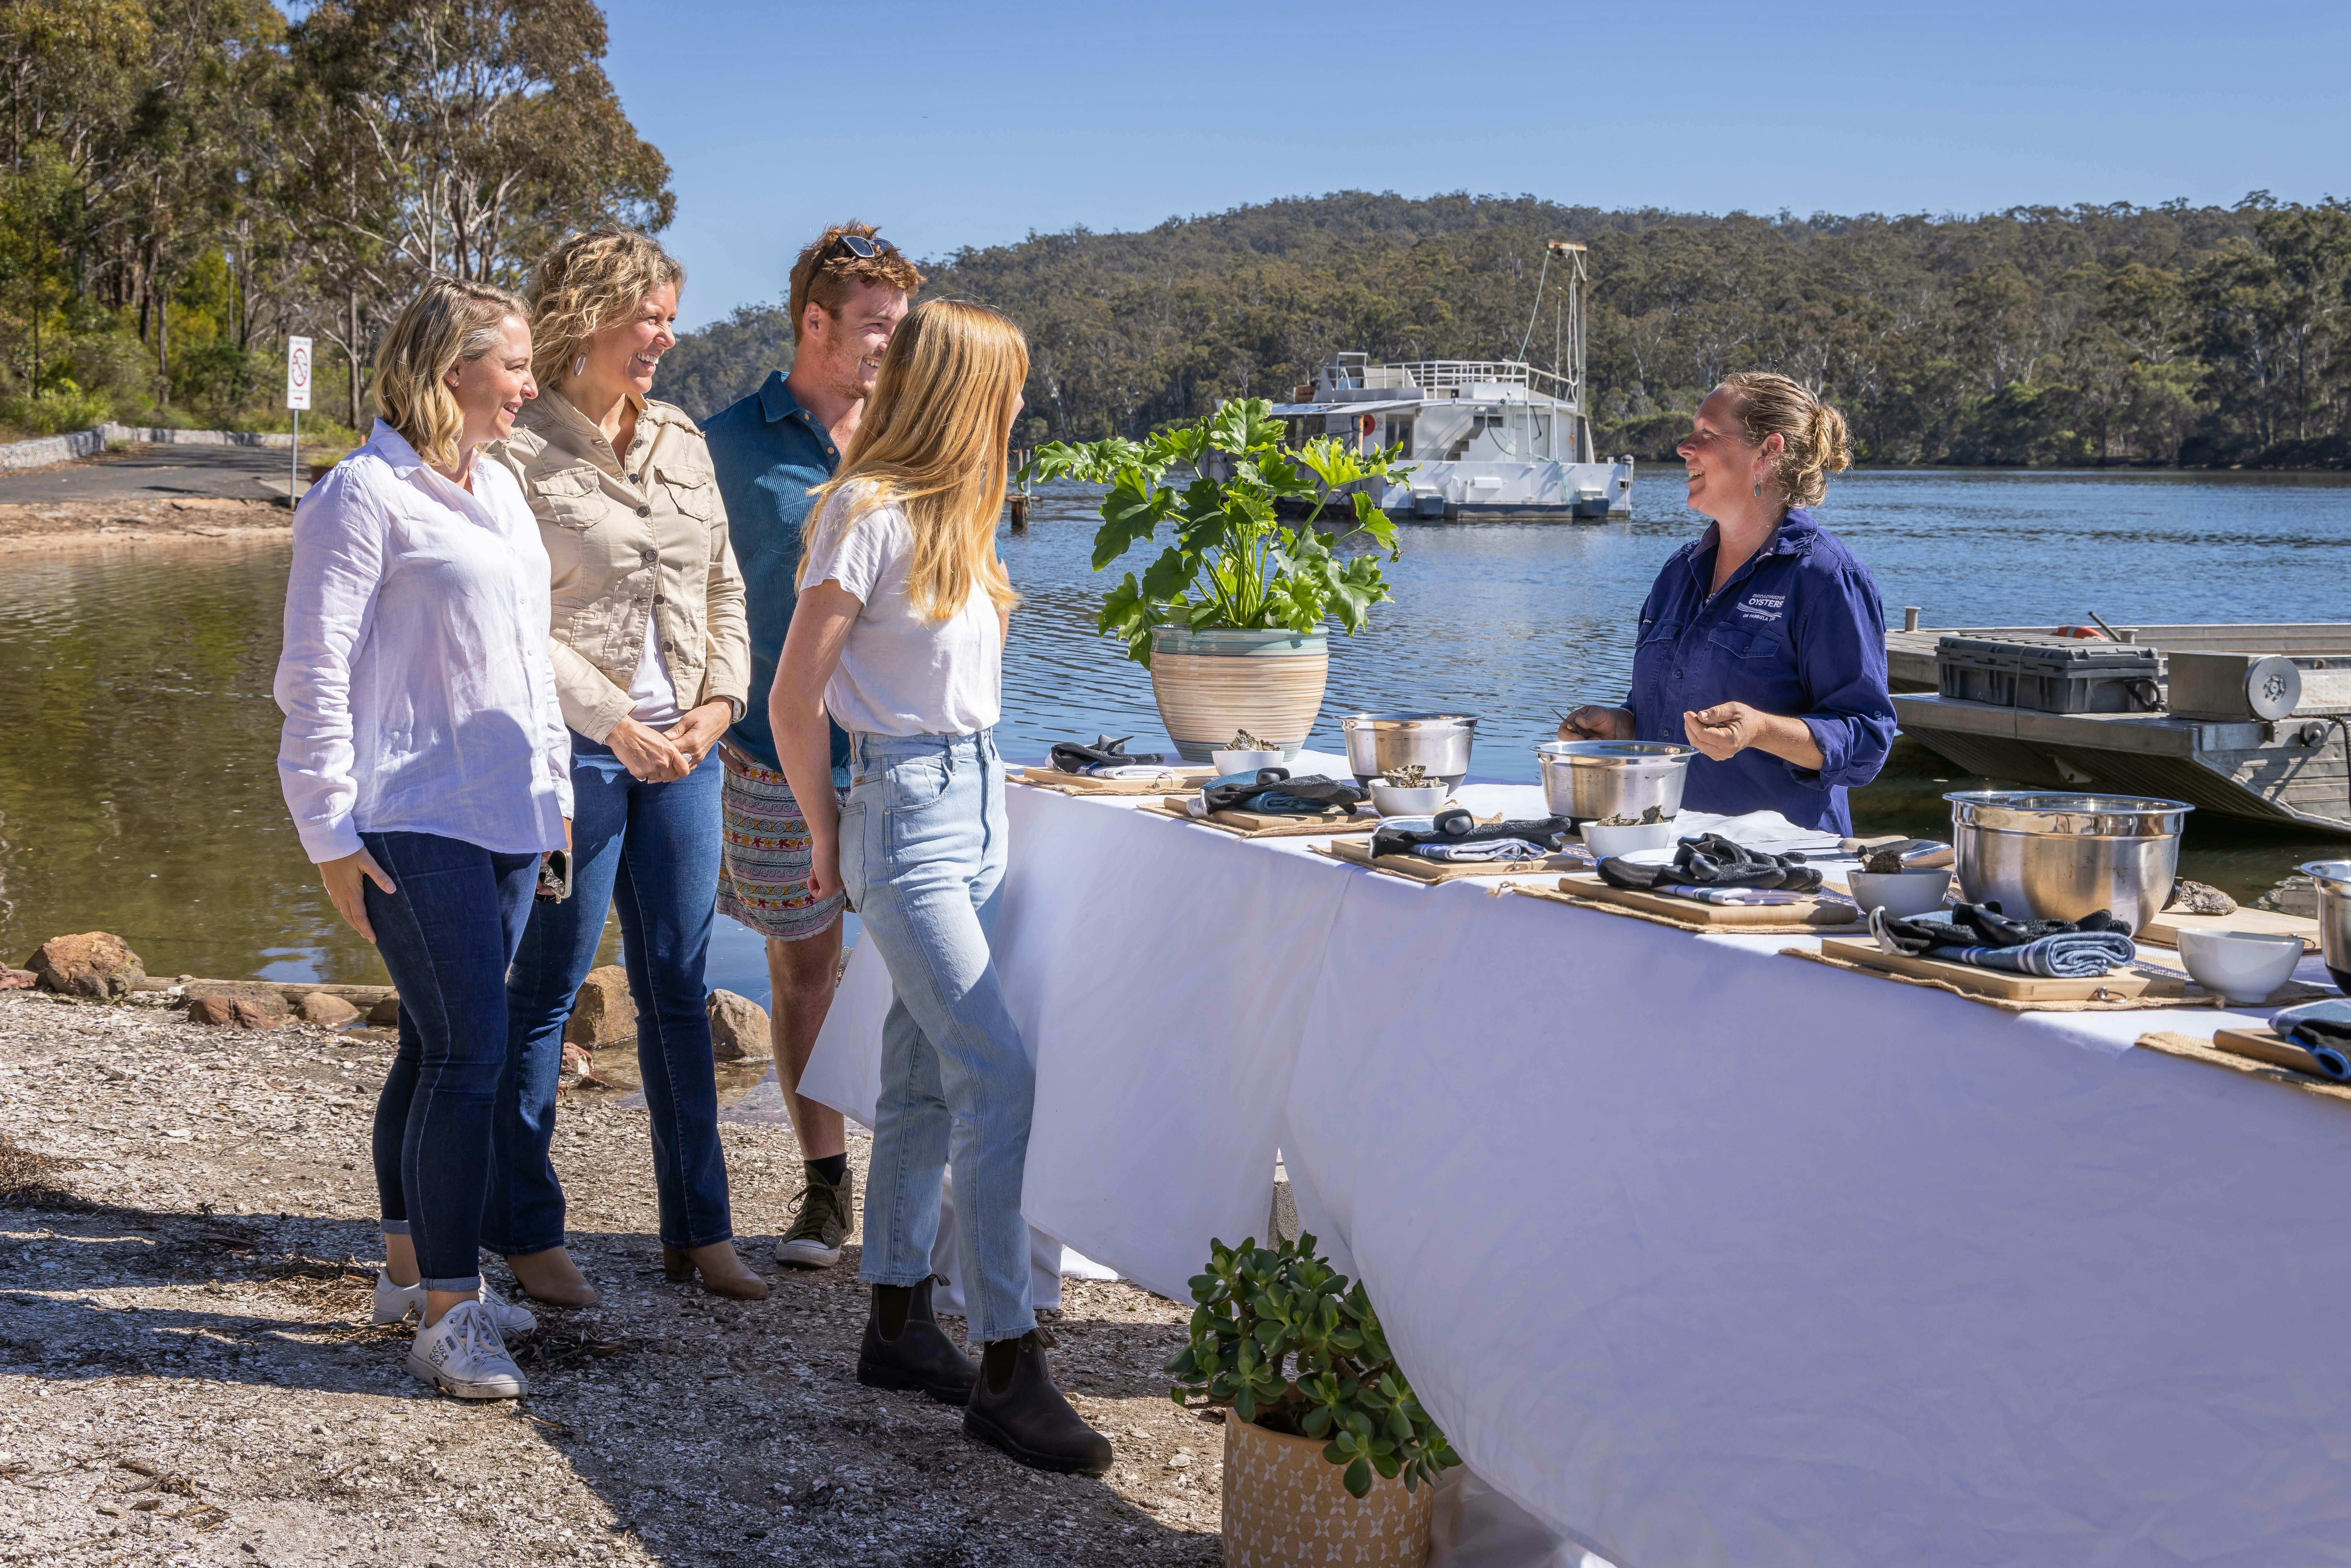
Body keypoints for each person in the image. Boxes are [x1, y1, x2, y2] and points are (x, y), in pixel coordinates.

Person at [773, 298, 1112, 1476]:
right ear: (968, 391)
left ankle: (899, 1321)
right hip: (904, 820)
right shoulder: (863, 514)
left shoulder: (959, 516)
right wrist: (828, 838)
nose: (1023, 404)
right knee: (997, 1072)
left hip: (977, 807)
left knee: (919, 1075)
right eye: (1011, 386)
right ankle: (1008, 1360)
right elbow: (792, 699)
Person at [274, 275, 569, 1400]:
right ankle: (452, 1316)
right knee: (468, 1057)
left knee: (433, 1047)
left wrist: (554, 805)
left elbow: (525, 657)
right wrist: (329, 837)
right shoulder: (362, 495)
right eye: (516, 365)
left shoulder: (496, 488)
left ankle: (407, 1270)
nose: (529, 385)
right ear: (452, 369)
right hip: (408, 814)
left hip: (506, 812)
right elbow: (313, 677)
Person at [489, 229, 765, 1303]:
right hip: (571, 763)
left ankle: (701, 1231)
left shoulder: (686, 443)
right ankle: (526, 1231)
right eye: (649, 315)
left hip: (688, 758)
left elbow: (727, 588)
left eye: (668, 315)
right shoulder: (515, 452)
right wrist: (614, 721)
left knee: (681, 989)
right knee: (547, 991)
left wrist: (721, 705)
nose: (667, 334)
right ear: (589, 315)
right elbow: (514, 620)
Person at [701, 223, 922, 1270]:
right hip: (772, 756)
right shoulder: (727, 443)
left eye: (900, 326)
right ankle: (827, 1187)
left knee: (932, 976)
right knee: (804, 975)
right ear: (814, 323)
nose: (890, 345)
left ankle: (927, 1194)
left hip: (906, 758)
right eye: (875, 327)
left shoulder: (915, 434)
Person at [1560, 372, 1894, 834]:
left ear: (1767, 453)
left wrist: (1761, 730)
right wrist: (1620, 729)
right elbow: (1659, 719)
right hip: (1664, 848)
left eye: (1708, 434)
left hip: (1780, 867)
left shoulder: (1827, 579)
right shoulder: (1678, 574)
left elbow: (1868, 742)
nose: (1684, 446)